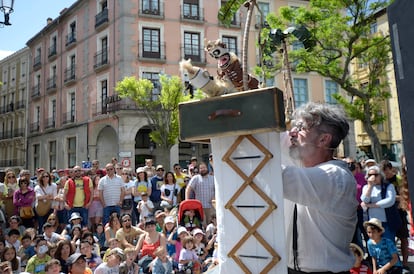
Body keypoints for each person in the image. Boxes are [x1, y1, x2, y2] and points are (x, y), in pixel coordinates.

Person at [281, 102, 357, 273]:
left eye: (300, 128)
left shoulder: (335, 178)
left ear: (323, 139)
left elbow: (274, 175)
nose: (292, 133)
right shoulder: (306, 167)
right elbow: (273, 136)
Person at [381, 160, 411, 271]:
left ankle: (405, 263)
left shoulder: (398, 180)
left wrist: (391, 198)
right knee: (390, 239)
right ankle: (394, 262)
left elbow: (403, 196)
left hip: (400, 211)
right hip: (388, 213)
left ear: (391, 169)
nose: (386, 174)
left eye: (387, 171)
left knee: (403, 238)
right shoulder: (383, 181)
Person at [361, 165, 398, 241]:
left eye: (375, 174)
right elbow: (365, 199)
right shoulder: (366, 188)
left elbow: (390, 201)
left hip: (386, 222)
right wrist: (370, 186)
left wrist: (371, 205)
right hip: (372, 222)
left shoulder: (389, 186)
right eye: (370, 175)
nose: (373, 177)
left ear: (380, 175)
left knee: (388, 245)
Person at [185, 162, 215, 227]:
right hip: (199, 207)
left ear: (207, 168)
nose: (203, 169)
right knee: (202, 225)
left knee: (212, 225)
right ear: (199, 170)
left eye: (204, 167)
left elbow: (217, 191)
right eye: (201, 168)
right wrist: (186, 200)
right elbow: (188, 189)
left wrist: (214, 198)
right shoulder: (196, 178)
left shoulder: (213, 178)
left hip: (211, 206)